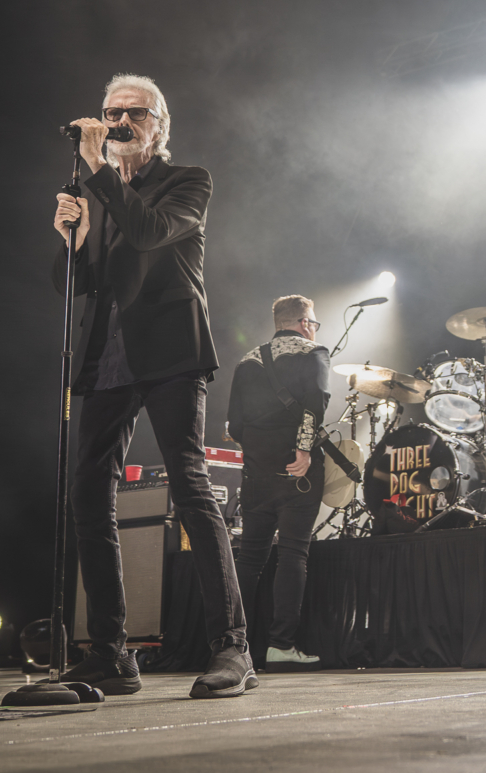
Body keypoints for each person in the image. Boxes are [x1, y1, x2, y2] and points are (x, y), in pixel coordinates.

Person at [52, 73, 254, 699]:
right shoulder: (100, 192)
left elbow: (145, 234)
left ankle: (233, 649)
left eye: (134, 114)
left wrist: (97, 176)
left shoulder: (188, 181)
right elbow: (89, 282)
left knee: (191, 487)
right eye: (111, 111)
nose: (118, 123)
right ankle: (110, 653)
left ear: (159, 125)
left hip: (170, 350)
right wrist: (73, 239)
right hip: (108, 351)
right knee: (89, 495)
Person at [227, 295, 331, 671]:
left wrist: (259, 455)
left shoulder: (247, 361)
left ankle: (235, 646)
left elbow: (234, 425)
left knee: (249, 559)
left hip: (255, 475)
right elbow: (315, 402)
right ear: (305, 323)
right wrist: (302, 451)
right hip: (297, 471)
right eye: (313, 322)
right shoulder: (314, 352)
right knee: (292, 554)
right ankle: (281, 646)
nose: (314, 328)